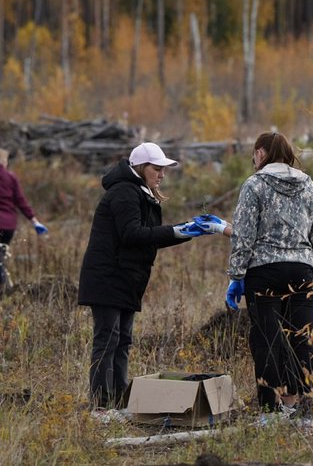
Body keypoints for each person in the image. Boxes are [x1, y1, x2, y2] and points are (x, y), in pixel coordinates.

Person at [204, 132, 313, 424]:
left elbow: (245, 235)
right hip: (301, 272)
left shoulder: (255, 184)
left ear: (261, 153)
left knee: (266, 340)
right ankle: (302, 411)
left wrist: (236, 275)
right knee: (301, 340)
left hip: (264, 273)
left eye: (254, 153)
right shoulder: (311, 186)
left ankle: (270, 412)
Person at [78, 142, 206, 423]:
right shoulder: (125, 192)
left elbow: (147, 238)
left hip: (126, 278)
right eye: (156, 168)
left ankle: (118, 402)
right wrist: (177, 230)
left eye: (163, 170)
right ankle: (100, 407)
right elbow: (132, 234)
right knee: (107, 341)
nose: (161, 175)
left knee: (122, 341)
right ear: (140, 167)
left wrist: (186, 232)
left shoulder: (140, 192)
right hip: (108, 276)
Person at [0, 147, 48, 289]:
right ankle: (4, 285)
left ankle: (0, 288)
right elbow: (21, 200)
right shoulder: (10, 177)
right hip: (8, 225)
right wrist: (34, 221)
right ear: (2, 160)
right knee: (1, 255)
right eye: (6, 160)